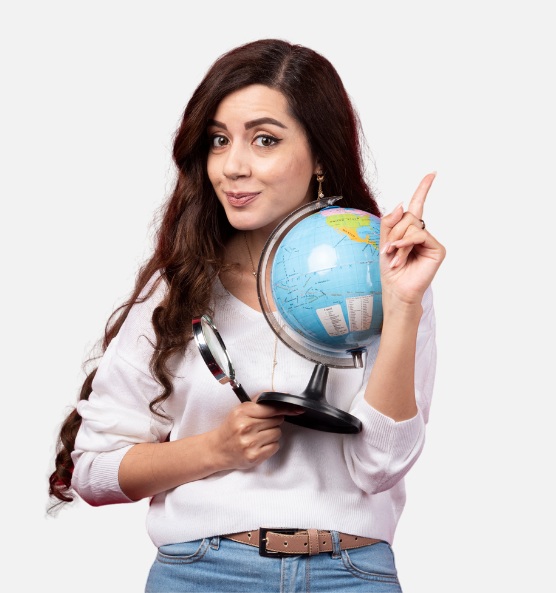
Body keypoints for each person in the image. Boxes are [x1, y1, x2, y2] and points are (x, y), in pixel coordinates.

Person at [49, 38, 446, 593]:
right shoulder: (179, 290)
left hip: (351, 574)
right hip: (204, 572)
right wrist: (215, 449)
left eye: (264, 140)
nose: (232, 166)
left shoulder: (387, 279)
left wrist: (402, 308)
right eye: (218, 140)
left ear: (322, 156)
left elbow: (380, 467)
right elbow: (92, 471)